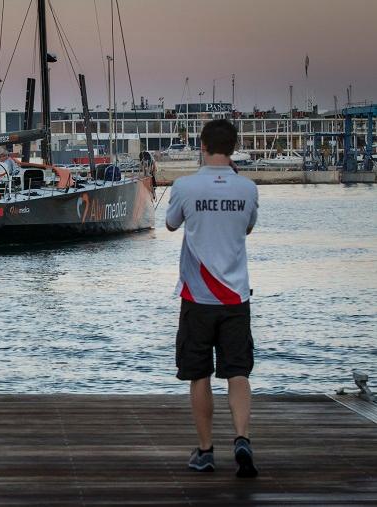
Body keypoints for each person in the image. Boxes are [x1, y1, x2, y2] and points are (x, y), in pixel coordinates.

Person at [165, 119, 259, 478]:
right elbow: (248, 227)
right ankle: (242, 439)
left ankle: (205, 451)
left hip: (198, 297)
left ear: (201, 146)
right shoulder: (248, 189)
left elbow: (172, 224)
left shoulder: (185, 186)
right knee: (238, 372)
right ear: (233, 147)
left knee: (199, 373)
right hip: (235, 297)